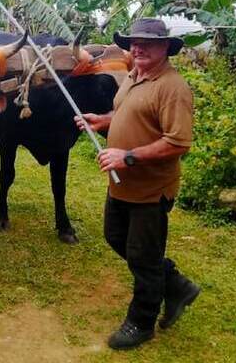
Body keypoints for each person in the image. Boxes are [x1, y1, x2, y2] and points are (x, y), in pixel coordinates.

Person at [75, 18, 199, 350]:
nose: (138, 48)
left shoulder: (173, 88)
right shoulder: (133, 75)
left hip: (150, 189)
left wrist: (127, 156)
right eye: (134, 42)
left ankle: (141, 322)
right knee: (115, 236)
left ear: (165, 48)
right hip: (121, 185)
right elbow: (127, 112)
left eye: (147, 43)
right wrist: (102, 121)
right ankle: (176, 284)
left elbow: (178, 143)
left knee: (143, 257)